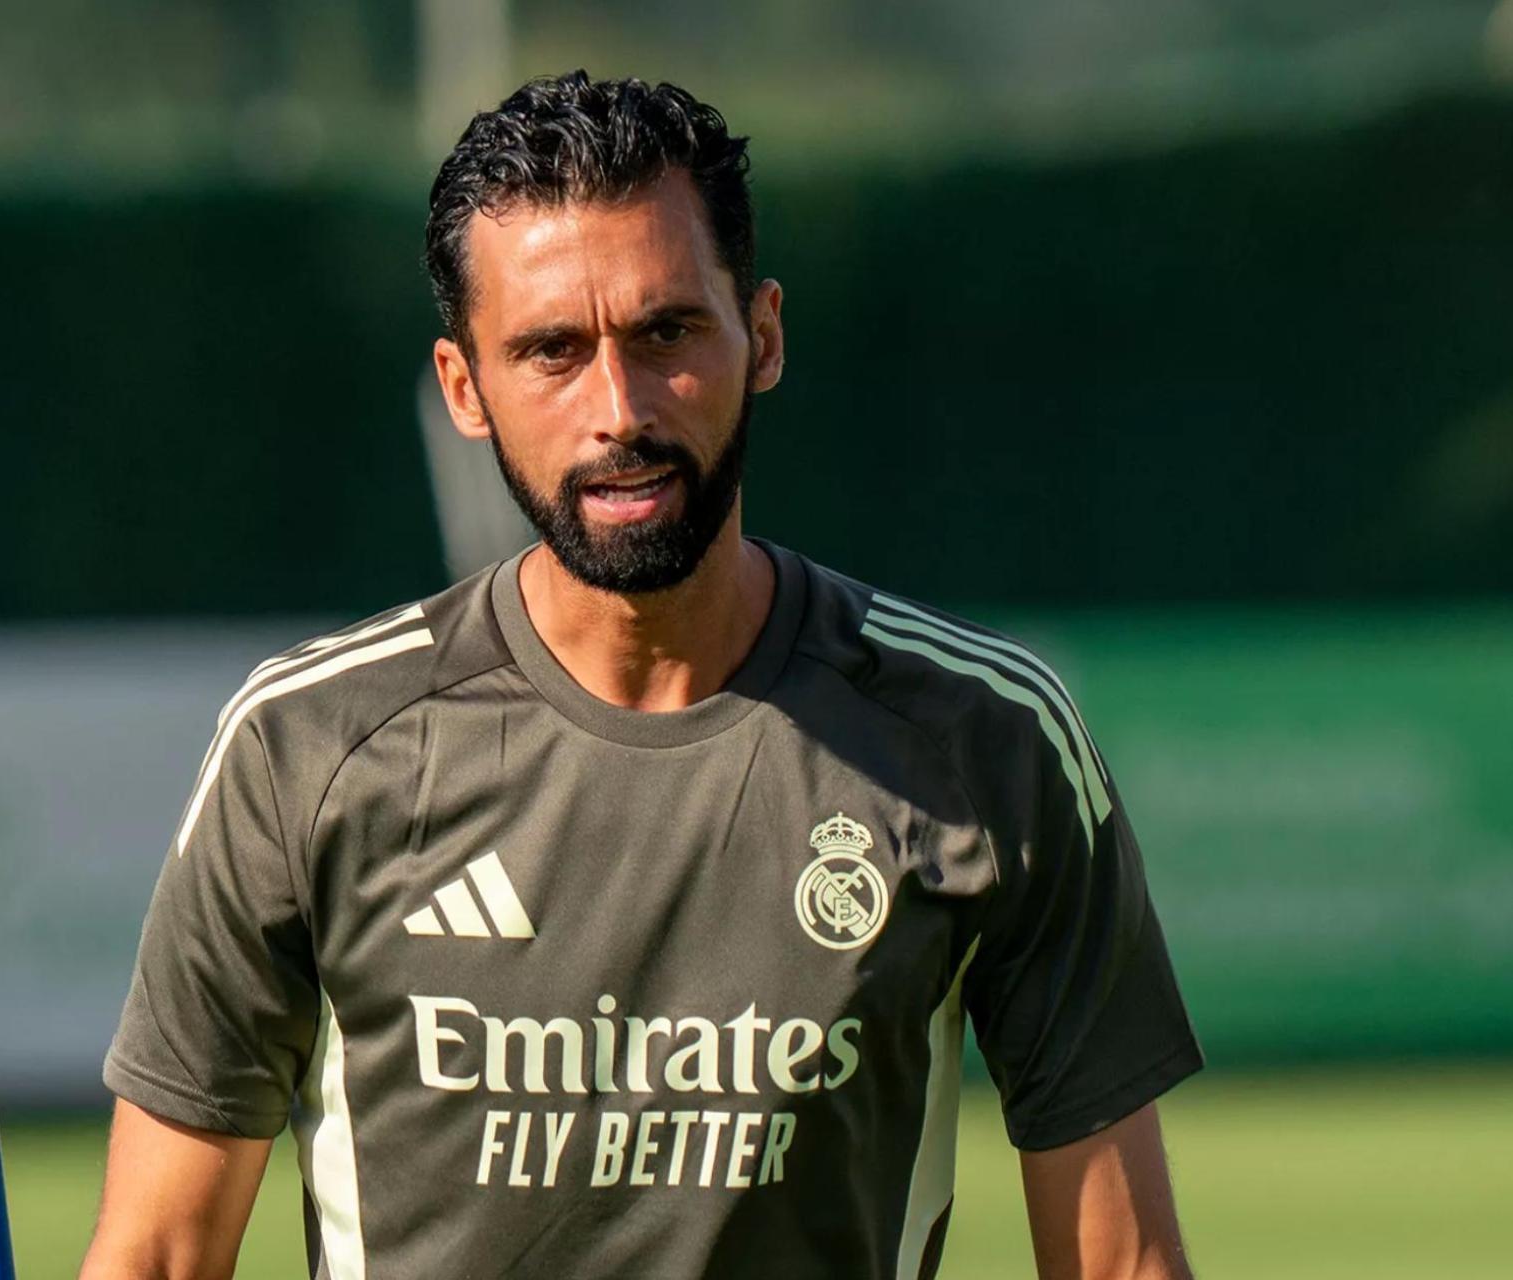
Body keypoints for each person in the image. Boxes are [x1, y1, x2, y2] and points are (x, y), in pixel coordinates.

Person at [80, 70, 1202, 1280]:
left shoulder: (984, 739)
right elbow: (154, 1250)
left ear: (760, 335)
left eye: (666, 332)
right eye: (551, 351)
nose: (616, 408)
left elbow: (1122, 1260)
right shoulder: (305, 747)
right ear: (465, 388)